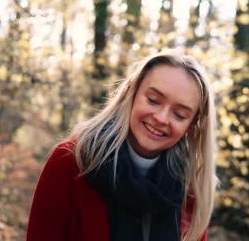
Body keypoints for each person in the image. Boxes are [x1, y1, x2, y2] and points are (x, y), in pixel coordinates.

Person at [27, 51, 217, 241]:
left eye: (180, 115)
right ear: (131, 93)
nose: (161, 118)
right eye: (153, 100)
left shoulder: (191, 189)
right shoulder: (70, 161)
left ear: (191, 126)